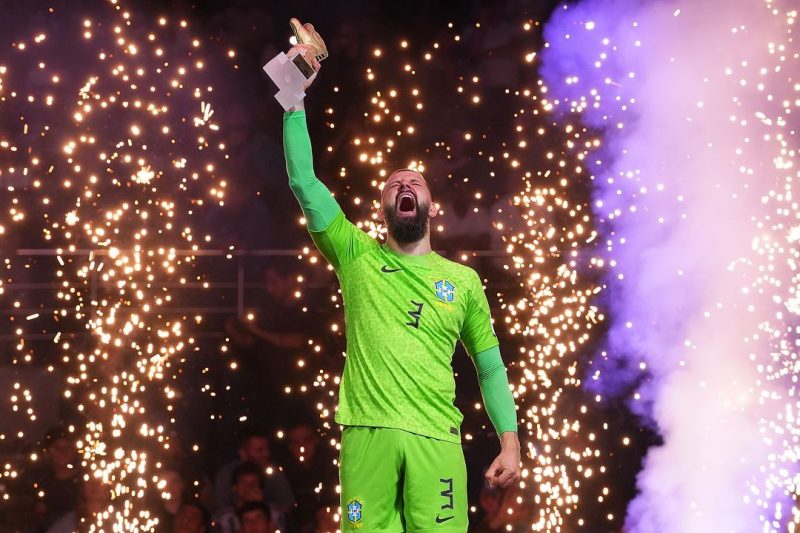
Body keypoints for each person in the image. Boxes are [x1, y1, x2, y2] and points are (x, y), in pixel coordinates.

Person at [280, 22, 521, 533]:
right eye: (395, 184)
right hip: (366, 435)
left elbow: (490, 368)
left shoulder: (464, 282)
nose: (405, 184)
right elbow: (304, 182)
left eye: (415, 182)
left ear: (432, 207)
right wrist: (294, 97)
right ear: (383, 206)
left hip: (436, 438)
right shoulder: (355, 253)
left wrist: (510, 438)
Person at [213, 428, 294, 523]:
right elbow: (218, 514)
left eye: (267, 449)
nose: (266, 454)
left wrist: (262, 505)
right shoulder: (227, 474)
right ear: (243, 454)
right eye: (259, 450)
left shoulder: (275, 474)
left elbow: (287, 510)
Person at [212, 461, 267, 533]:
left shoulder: (276, 514)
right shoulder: (222, 518)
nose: (249, 487)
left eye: (254, 483)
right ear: (235, 487)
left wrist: (260, 507)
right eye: (244, 483)